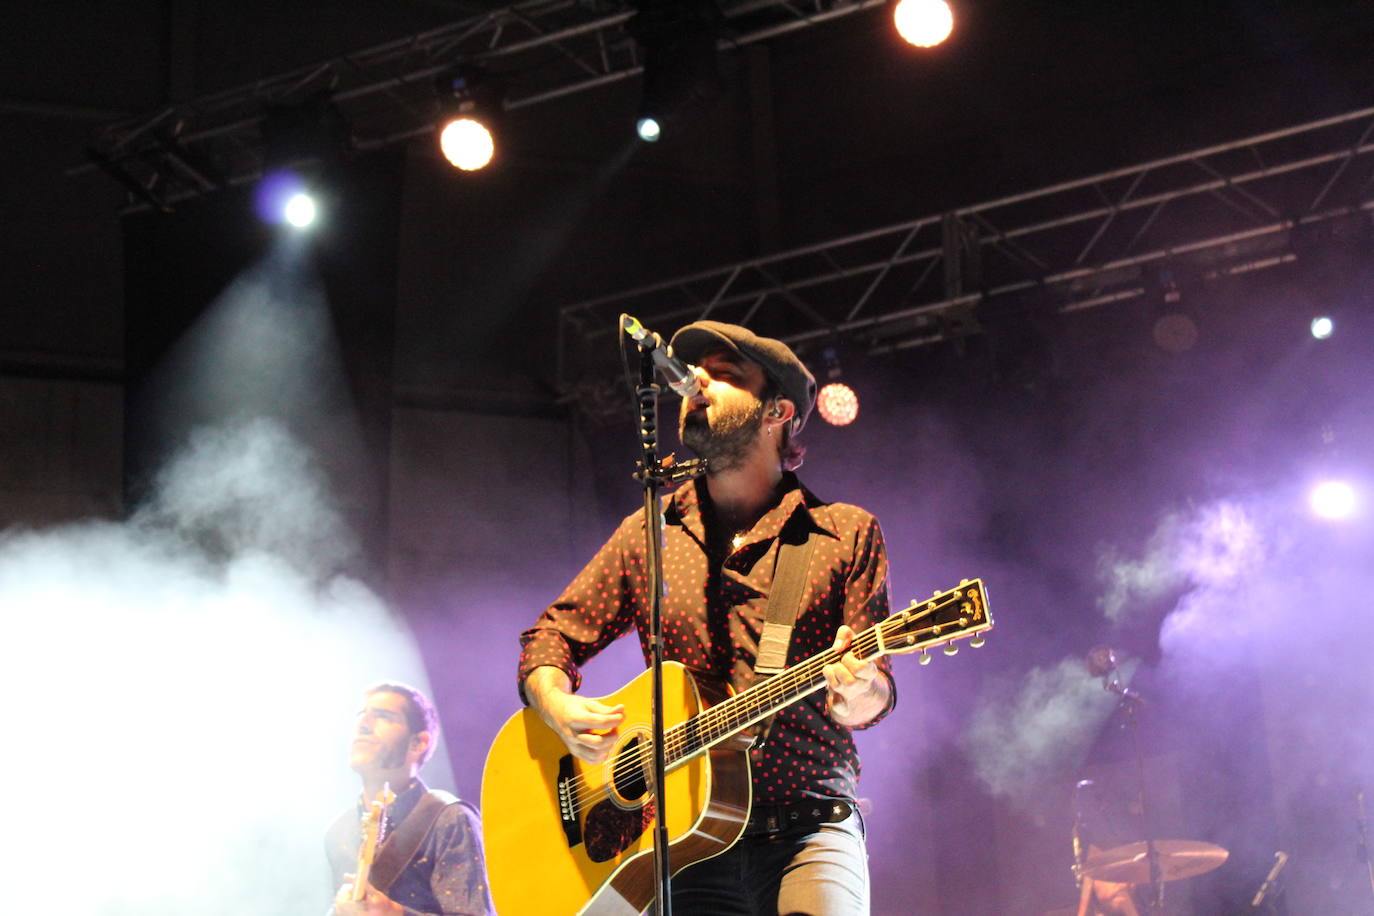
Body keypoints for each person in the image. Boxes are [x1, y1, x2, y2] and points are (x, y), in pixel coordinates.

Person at [519, 320, 896, 915]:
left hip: (808, 827)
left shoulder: (844, 532)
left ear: (777, 412)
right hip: (683, 842)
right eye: (695, 371)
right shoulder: (650, 531)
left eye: (724, 374)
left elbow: (873, 694)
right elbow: (550, 637)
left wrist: (860, 690)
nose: (696, 382)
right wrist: (557, 706)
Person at [325, 682, 494, 916]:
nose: (363, 725)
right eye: (361, 715)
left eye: (383, 716)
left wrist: (396, 913)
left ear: (418, 743)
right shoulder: (338, 833)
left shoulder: (449, 818)